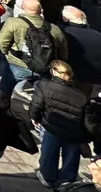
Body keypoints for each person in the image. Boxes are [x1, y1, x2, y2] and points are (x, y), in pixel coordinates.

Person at [31, 60, 93, 188]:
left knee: (49, 153)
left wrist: (34, 118)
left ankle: (48, 177)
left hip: (52, 127)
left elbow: (36, 105)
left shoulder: (44, 85)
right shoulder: (81, 95)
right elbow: (87, 120)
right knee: (71, 157)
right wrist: (86, 137)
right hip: (73, 131)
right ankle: (67, 180)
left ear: (53, 71)